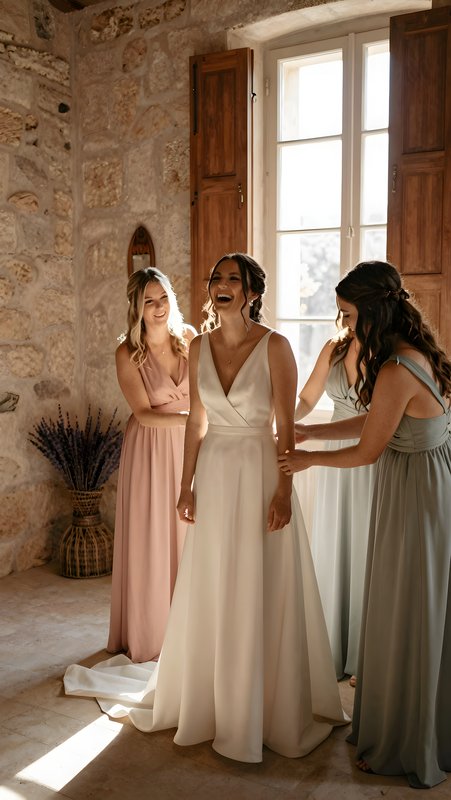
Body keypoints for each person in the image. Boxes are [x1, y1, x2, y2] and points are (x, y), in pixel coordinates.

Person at [64, 253, 347, 762]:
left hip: (260, 470)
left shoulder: (276, 347)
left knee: (260, 579)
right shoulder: (199, 346)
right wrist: (186, 486)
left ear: (251, 293)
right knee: (213, 580)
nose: (222, 285)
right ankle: (210, 698)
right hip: (214, 474)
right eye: (217, 278)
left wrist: (284, 491)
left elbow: (286, 426)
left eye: (233, 279)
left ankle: (263, 704)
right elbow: (196, 421)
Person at [279, 260, 451, 789]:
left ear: (374, 311)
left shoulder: (397, 368)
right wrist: (311, 432)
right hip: (421, 483)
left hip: (415, 496)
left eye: (350, 315)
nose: (345, 325)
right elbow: (381, 418)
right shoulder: (412, 355)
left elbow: (369, 449)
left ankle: (405, 743)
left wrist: (307, 460)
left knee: (407, 609)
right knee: (410, 606)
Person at [107, 267, 195, 663]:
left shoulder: (189, 337)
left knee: (189, 533)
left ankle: (191, 629)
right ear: (136, 307)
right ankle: (151, 633)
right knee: (154, 535)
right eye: (149, 301)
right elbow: (143, 413)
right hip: (151, 448)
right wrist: (189, 419)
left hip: (191, 445)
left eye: (164, 298)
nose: (159, 307)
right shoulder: (127, 353)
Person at [294, 323, 376, 682]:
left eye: (350, 311)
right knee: (334, 542)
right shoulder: (335, 347)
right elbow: (307, 399)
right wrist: (281, 421)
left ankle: (366, 653)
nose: (345, 320)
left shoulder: (388, 352)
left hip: (371, 454)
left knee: (365, 547)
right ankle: (332, 646)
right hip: (332, 450)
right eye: (341, 311)